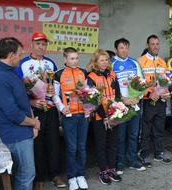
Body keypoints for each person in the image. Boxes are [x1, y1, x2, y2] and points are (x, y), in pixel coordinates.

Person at [14, 32, 65, 190]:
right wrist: (32, 101)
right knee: (37, 143)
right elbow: (18, 91)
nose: (41, 47)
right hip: (34, 110)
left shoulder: (50, 63)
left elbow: (56, 84)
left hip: (50, 109)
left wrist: (54, 94)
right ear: (32, 44)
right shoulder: (22, 64)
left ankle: (55, 174)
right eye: (38, 44)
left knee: (54, 141)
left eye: (44, 44)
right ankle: (39, 178)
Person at [0, 37, 40, 190]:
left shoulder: (11, 73)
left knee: (25, 174)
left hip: (24, 131)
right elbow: (13, 114)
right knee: (26, 175)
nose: (21, 57)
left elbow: (22, 100)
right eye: (19, 54)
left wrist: (32, 125)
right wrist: (34, 123)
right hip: (16, 135)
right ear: (11, 55)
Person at [52, 47, 89, 190]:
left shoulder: (83, 72)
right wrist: (62, 108)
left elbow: (87, 93)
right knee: (71, 148)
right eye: (72, 58)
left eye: (77, 58)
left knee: (81, 147)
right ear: (65, 59)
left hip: (83, 115)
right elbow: (54, 95)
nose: (75, 61)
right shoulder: (58, 74)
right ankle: (72, 177)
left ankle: (81, 175)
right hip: (69, 116)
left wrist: (89, 106)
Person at [86, 49, 122, 185]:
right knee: (101, 144)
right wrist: (105, 116)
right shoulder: (91, 77)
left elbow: (117, 94)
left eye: (107, 60)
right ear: (95, 62)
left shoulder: (112, 74)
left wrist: (116, 111)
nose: (105, 62)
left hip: (114, 115)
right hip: (100, 117)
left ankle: (112, 169)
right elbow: (92, 100)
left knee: (113, 143)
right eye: (102, 60)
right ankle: (103, 171)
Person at [111, 38, 146, 174]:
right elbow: (110, 87)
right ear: (116, 50)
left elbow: (142, 83)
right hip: (120, 106)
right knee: (120, 136)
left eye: (126, 47)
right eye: (121, 48)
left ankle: (131, 160)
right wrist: (121, 100)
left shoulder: (134, 63)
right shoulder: (111, 64)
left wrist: (138, 97)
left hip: (135, 105)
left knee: (133, 135)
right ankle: (119, 163)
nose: (124, 50)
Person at [138, 34, 172, 167]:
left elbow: (165, 81)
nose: (155, 46)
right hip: (148, 100)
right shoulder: (140, 61)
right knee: (146, 129)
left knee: (159, 128)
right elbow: (137, 83)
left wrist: (166, 93)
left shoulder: (162, 62)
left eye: (157, 44)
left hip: (161, 100)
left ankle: (159, 153)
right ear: (147, 45)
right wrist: (150, 92)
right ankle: (145, 154)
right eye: (152, 44)